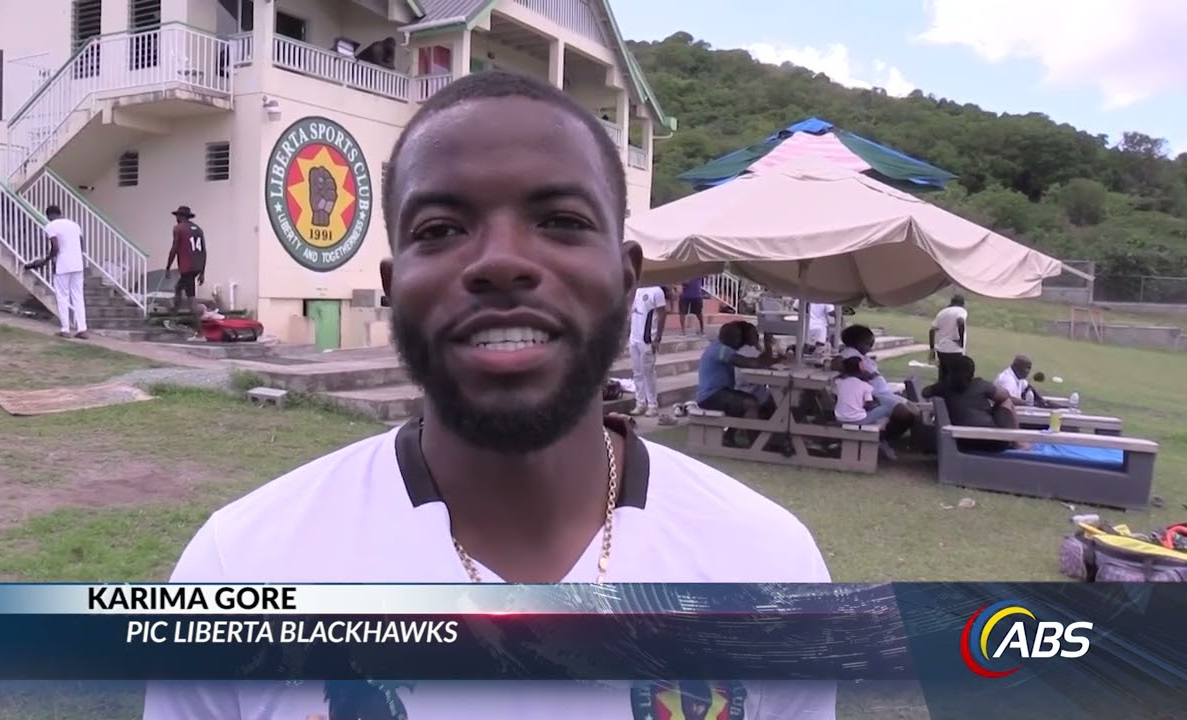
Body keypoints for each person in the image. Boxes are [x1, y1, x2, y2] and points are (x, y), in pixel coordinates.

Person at [143, 70, 834, 719]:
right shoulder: (239, 571)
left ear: (627, 280)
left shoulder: (772, 570)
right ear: (394, 287)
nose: (501, 262)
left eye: (561, 220)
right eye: (441, 230)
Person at [695, 322, 781, 447]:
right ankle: (756, 445)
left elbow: (757, 362)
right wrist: (769, 349)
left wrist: (769, 354)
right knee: (750, 403)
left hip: (720, 392)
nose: (738, 340)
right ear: (726, 337)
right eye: (735, 337)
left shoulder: (719, 347)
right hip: (711, 395)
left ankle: (729, 437)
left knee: (748, 400)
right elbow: (752, 363)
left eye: (739, 337)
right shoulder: (721, 349)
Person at [922, 355, 1028, 452]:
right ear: (972, 372)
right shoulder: (979, 384)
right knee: (1006, 402)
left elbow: (925, 392)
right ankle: (1018, 442)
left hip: (960, 440)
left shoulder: (942, 387)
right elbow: (1004, 396)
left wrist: (941, 384)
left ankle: (1018, 442)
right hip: (992, 442)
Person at [832, 324, 916, 442]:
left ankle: (889, 436)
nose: (870, 348)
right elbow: (836, 362)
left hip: (884, 392)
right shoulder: (849, 353)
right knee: (904, 413)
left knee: (915, 411)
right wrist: (857, 373)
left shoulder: (859, 354)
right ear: (856, 342)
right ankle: (884, 438)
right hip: (875, 394)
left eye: (871, 344)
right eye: (867, 344)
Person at [24, 204, 88, 339]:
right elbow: (81, 245)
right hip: (78, 265)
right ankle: (82, 329)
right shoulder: (75, 225)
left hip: (62, 265)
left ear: (49, 215)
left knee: (62, 296)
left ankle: (65, 329)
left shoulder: (51, 226)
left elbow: (55, 247)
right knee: (78, 297)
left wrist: (46, 260)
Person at [833, 356, 896, 461]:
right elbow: (869, 405)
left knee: (873, 420)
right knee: (887, 408)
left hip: (839, 418)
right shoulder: (865, 386)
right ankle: (886, 438)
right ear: (860, 368)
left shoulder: (840, 382)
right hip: (857, 420)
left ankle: (881, 439)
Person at [628, 284, 666, 417]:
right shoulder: (636, 290)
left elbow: (662, 315)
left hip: (647, 339)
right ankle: (640, 403)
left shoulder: (656, 291)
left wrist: (658, 338)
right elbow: (632, 314)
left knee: (648, 373)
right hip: (634, 338)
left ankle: (652, 405)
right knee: (637, 373)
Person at [164, 205, 207, 318]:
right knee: (181, 288)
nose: (176, 218)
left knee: (189, 296)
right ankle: (176, 312)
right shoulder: (198, 229)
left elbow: (174, 248)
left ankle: (197, 317)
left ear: (181, 216)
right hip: (197, 266)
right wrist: (202, 272)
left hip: (187, 266)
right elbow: (203, 251)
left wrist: (168, 267)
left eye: (177, 216)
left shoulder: (178, 228)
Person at [994, 355, 1065, 409]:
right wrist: (1028, 403)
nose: (1029, 372)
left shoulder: (1018, 377)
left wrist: (1042, 402)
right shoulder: (1008, 380)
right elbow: (1008, 399)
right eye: (1027, 368)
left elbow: (1028, 387)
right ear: (1018, 367)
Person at [928, 295, 967, 383]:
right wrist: (961, 341)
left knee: (943, 377)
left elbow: (932, 330)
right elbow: (960, 321)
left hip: (942, 350)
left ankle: (940, 390)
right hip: (955, 350)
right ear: (962, 304)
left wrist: (932, 349)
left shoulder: (942, 312)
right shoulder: (961, 310)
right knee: (955, 378)